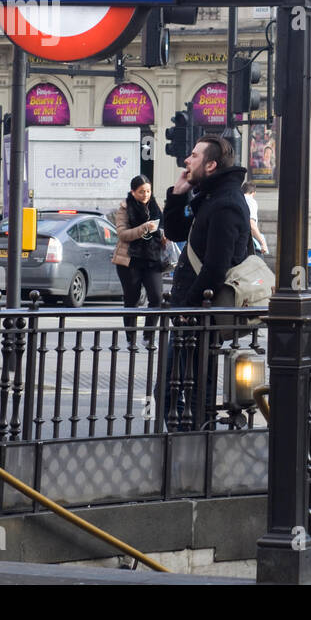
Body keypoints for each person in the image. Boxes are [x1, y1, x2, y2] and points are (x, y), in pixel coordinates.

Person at [162, 135, 251, 426]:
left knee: (183, 388)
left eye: (194, 156)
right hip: (194, 311)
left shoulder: (225, 203)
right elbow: (175, 232)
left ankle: (196, 445)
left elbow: (215, 267)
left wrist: (188, 309)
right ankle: (195, 442)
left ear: (211, 165)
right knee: (186, 386)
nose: (187, 161)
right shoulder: (210, 197)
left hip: (199, 313)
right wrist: (177, 195)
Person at [113, 175, 166, 341]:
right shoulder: (124, 208)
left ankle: (148, 336)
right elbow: (122, 234)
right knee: (132, 299)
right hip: (130, 260)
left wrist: (164, 235)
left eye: (148, 191)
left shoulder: (156, 206)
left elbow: (163, 226)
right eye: (141, 192)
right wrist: (143, 228)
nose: (146, 195)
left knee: (157, 297)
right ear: (133, 192)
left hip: (153, 258)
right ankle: (131, 337)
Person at [242, 181, 268, 255]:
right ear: (254, 193)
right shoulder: (251, 201)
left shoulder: (237, 199)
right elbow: (251, 224)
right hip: (247, 243)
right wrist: (262, 243)